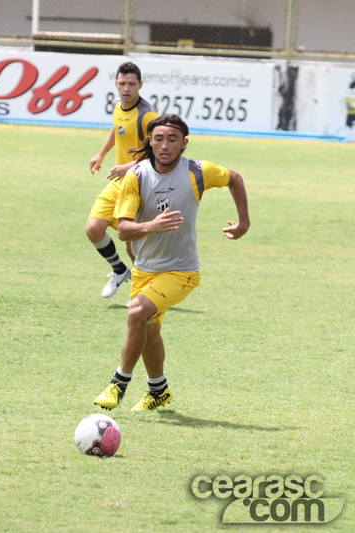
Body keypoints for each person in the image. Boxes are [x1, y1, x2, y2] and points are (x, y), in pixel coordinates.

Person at [93, 114, 249, 411]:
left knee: (137, 312)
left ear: (184, 143)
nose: (165, 145)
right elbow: (123, 228)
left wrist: (243, 223)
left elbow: (235, 179)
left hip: (182, 272)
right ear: (149, 142)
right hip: (143, 270)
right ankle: (158, 390)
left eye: (172, 139)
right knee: (149, 332)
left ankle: (118, 384)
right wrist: (151, 226)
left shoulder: (198, 172)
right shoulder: (136, 175)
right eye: (159, 139)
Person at [87, 62, 158, 299]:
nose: (126, 88)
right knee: (93, 229)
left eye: (131, 84)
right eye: (122, 83)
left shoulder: (148, 115)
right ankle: (119, 270)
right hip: (118, 182)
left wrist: (129, 166)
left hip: (138, 185)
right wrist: (102, 153)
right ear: (116, 84)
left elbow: (159, 152)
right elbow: (116, 128)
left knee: (132, 245)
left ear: (140, 85)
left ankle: (144, 295)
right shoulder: (118, 105)